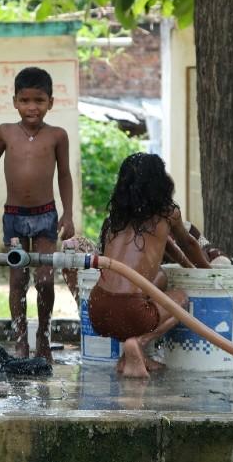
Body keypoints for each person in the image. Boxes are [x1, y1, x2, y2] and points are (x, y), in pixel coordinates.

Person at [0, 67, 74, 360]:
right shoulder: (5, 132)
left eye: (39, 101)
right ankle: (21, 338)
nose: (32, 107)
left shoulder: (57, 136)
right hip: (15, 219)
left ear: (51, 103)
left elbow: (65, 176)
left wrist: (68, 214)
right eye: (25, 100)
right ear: (15, 101)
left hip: (46, 216)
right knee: (18, 280)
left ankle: (43, 336)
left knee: (45, 280)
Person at [89, 153, 211, 378]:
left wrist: (185, 264)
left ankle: (129, 357)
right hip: (132, 312)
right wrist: (208, 272)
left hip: (97, 308)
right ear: (159, 182)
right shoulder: (167, 214)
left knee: (162, 277)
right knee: (180, 300)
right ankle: (137, 342)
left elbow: (169, 247)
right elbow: (189, 243)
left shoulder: (115, 217)